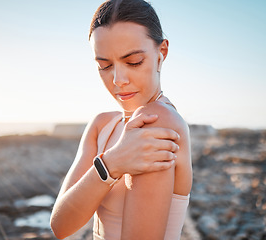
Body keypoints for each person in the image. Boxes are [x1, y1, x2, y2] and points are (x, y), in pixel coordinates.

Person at [50, 0, 192, 239]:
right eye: (104, 66)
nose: (118, 79)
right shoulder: (102, 126)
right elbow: (61, 226)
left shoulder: (158, 121)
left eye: (133, 61)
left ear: (162, 53)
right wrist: (111, 164)